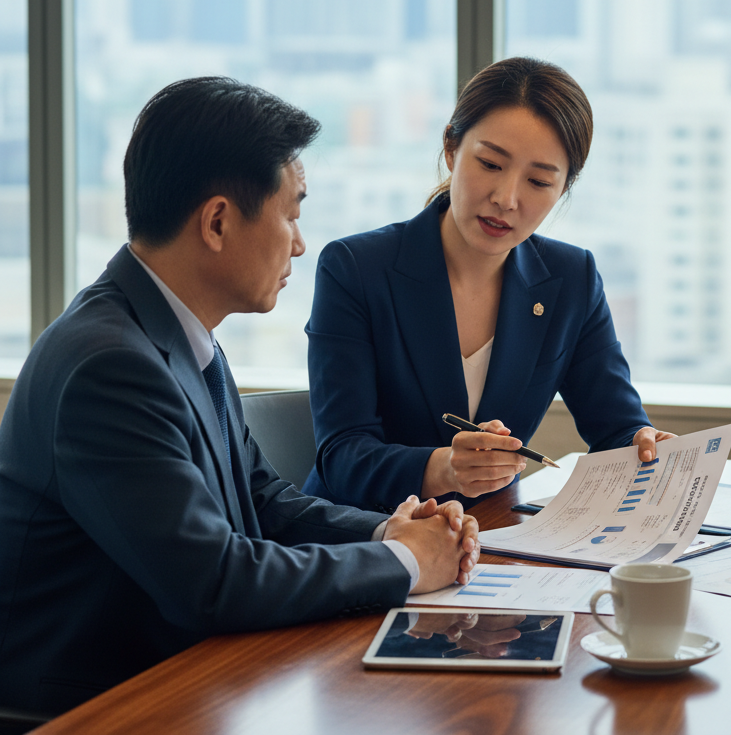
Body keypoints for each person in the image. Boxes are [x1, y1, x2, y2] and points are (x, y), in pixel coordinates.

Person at [0, 78, 479, 718]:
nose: (300, 244)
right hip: (98, 707)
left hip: (191, 676)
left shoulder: (176, 331)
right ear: (219, 221)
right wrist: (402, 562)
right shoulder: (110, 366)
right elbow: (214, 582)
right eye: (292, 215)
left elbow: (261, 499)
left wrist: (388, 529)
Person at [303, 57, 675, 512]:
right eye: (490, 164)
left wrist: (641, 444)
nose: (507, 199)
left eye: (539, 181)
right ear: (451, 149)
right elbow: (341, 456)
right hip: (364, 544)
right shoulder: (356, 269)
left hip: (491, 542)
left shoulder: (571, 278)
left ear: (564, 188)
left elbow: (615, 427)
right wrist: (443, 468)